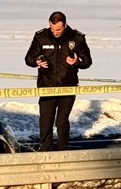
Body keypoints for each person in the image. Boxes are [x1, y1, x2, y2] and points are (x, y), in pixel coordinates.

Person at [24, 11, 92, 150]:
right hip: (47, 86)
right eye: (52, 29)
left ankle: (62, 149)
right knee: (45, 121)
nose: (55, 32)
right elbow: (28, 58)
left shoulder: (77, 38)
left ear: (65, 25)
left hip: (68, 86)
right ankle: (45, 149)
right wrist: (37, 61)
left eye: (58, 29)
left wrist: (76, 62)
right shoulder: (41, 37)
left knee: (61, 122)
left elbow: (87, 61)